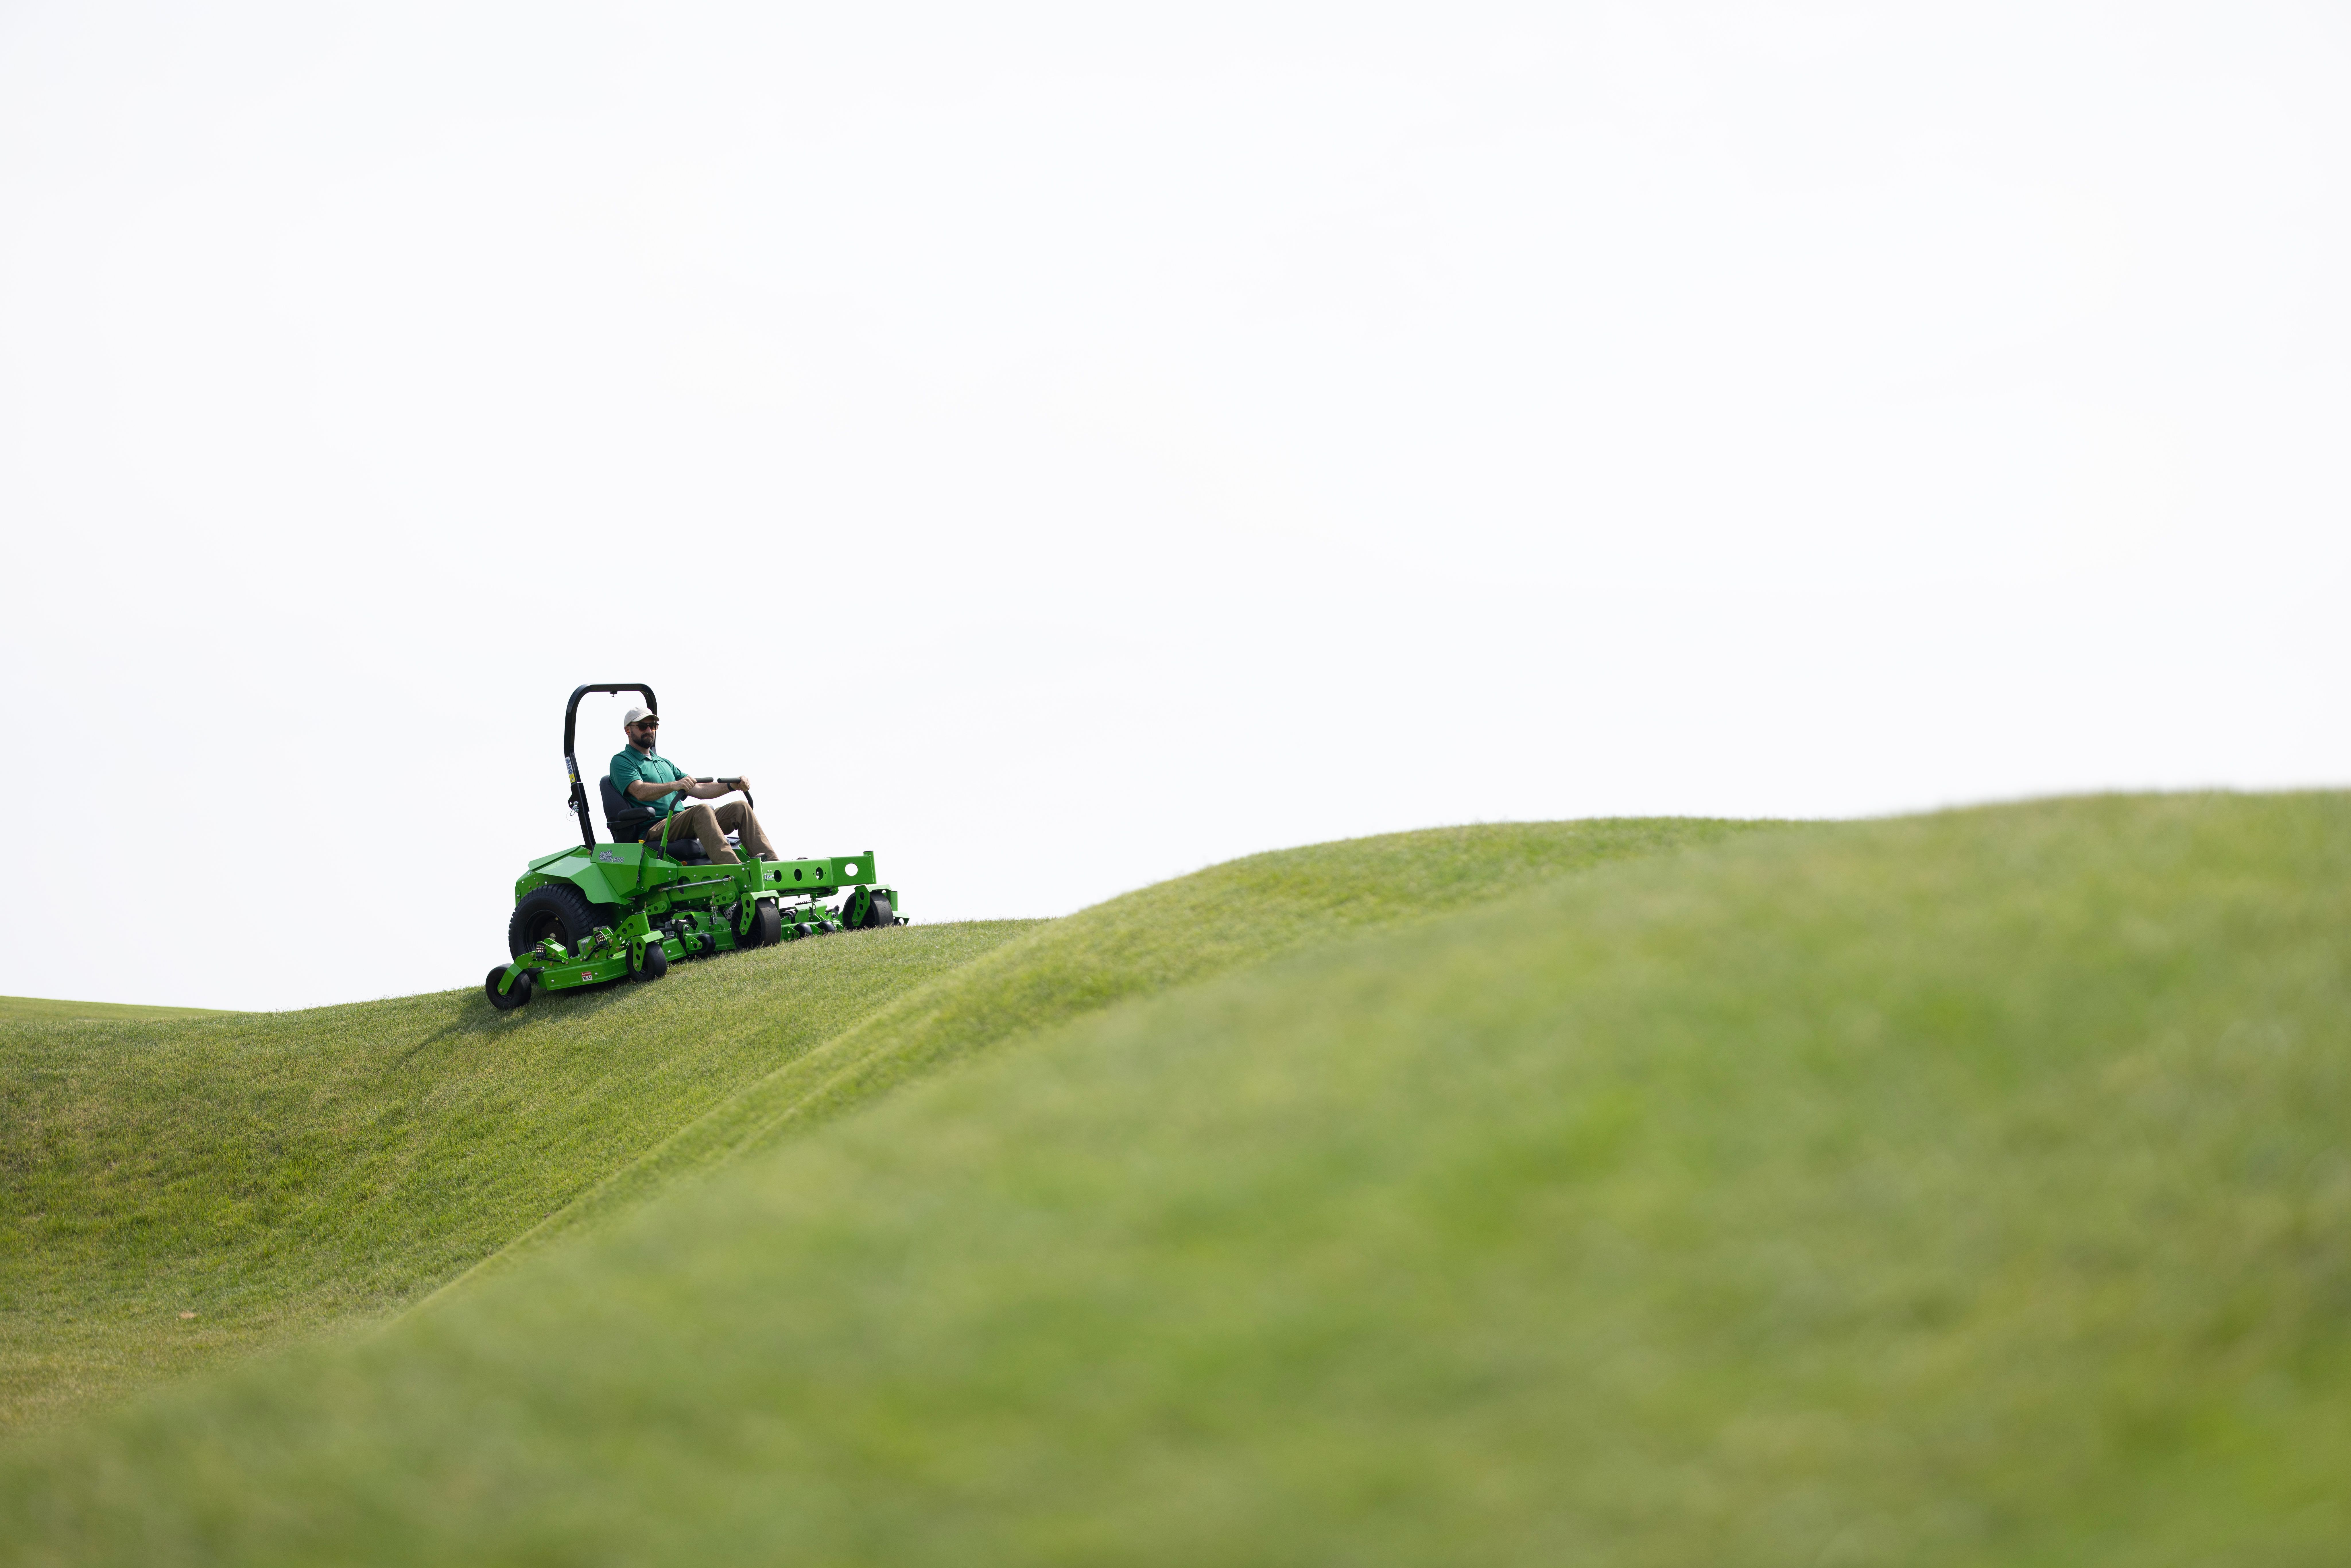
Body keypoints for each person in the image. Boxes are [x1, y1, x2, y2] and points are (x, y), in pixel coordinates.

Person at [609, 706, 779, 864]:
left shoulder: (664, 762)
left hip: (679, 822)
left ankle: (774, 867)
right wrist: (674, 785)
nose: (649, 730)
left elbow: (699, 788)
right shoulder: (622, 761)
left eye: (653, 726)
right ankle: (733, 867)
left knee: (740, 807)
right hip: (654, 828)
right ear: (628, 730)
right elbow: (639, 791)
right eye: (642, 726)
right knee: (702, 810)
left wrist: (732, 786)